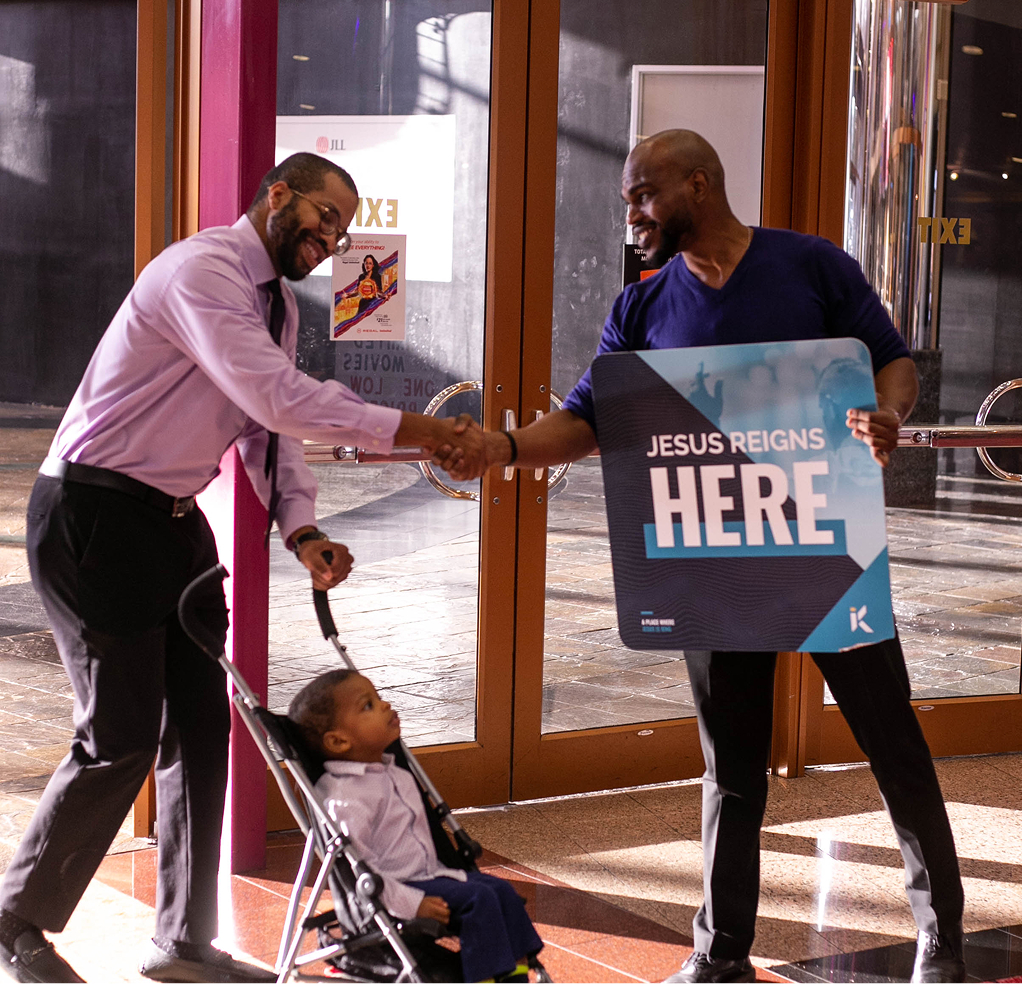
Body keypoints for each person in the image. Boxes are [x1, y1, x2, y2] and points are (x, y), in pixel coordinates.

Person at [442, 130, 966, 984]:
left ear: (698, 184)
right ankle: (720, 953)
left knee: (891, 743)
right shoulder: (641, 306)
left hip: (827, 548)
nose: (633, 216)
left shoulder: (811, 266)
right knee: (730, 768)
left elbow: (892, 362)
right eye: (628, 202)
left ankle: (942, 937)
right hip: (716, 556)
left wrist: (887, 414)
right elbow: (588, 418)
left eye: (643, 196)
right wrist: (502, 448)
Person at [0, 152, 484, 984]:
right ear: (277, 195)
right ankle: (16, 924)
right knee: (118, 736)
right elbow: (276, 397)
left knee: (201, 730)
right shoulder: (203, 272)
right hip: (94, 512)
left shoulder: (277, 307)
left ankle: (183, 944)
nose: (330, 239)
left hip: (174, 523)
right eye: (324, 217)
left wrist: (303, 528)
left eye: (342, 230)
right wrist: (427, 431)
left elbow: (270, 430)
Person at [288, 670, 544, 983]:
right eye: (368, 705)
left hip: (433, 874)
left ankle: (516, 975)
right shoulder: (345, 797)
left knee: (501, 891)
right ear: (339, 741)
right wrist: (413, 903)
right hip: (401, 888)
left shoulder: (395, 773)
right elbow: (360, 872)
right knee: (481, 900)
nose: (385, 705)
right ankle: (485, 979)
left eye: (379, 698)